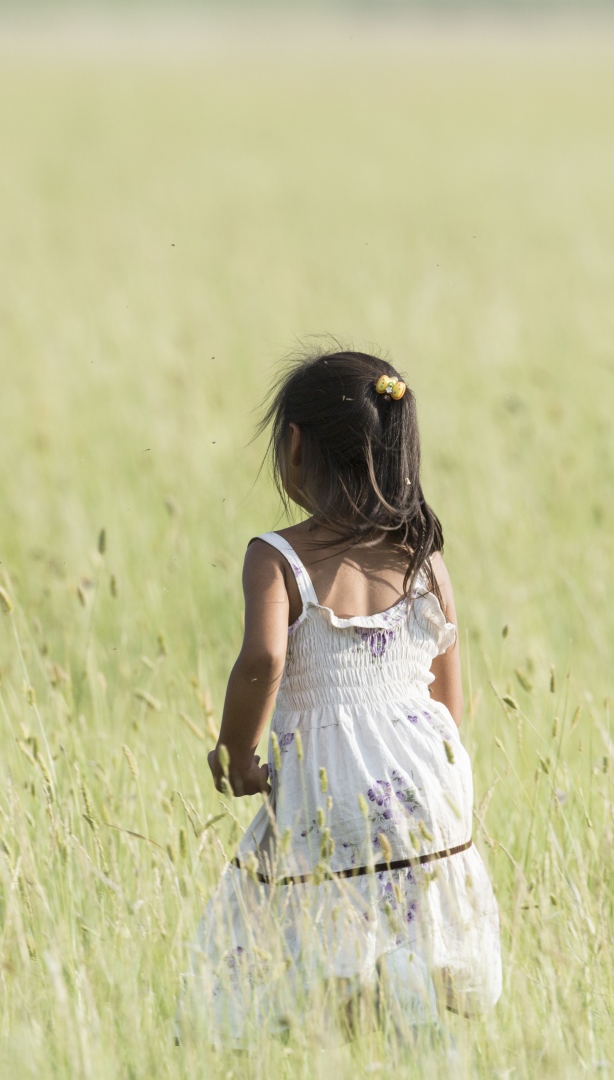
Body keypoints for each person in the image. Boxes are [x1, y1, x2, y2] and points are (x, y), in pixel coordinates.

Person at [187, 350, 501, 1046]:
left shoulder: (277, 556)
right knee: (406, 943)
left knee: (311, 946)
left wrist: (237, 754)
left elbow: (264, 657)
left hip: (333, 783)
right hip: (427, 783)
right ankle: (421, 1039)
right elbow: (450, 701)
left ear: (294, 445)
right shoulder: (426, 558)